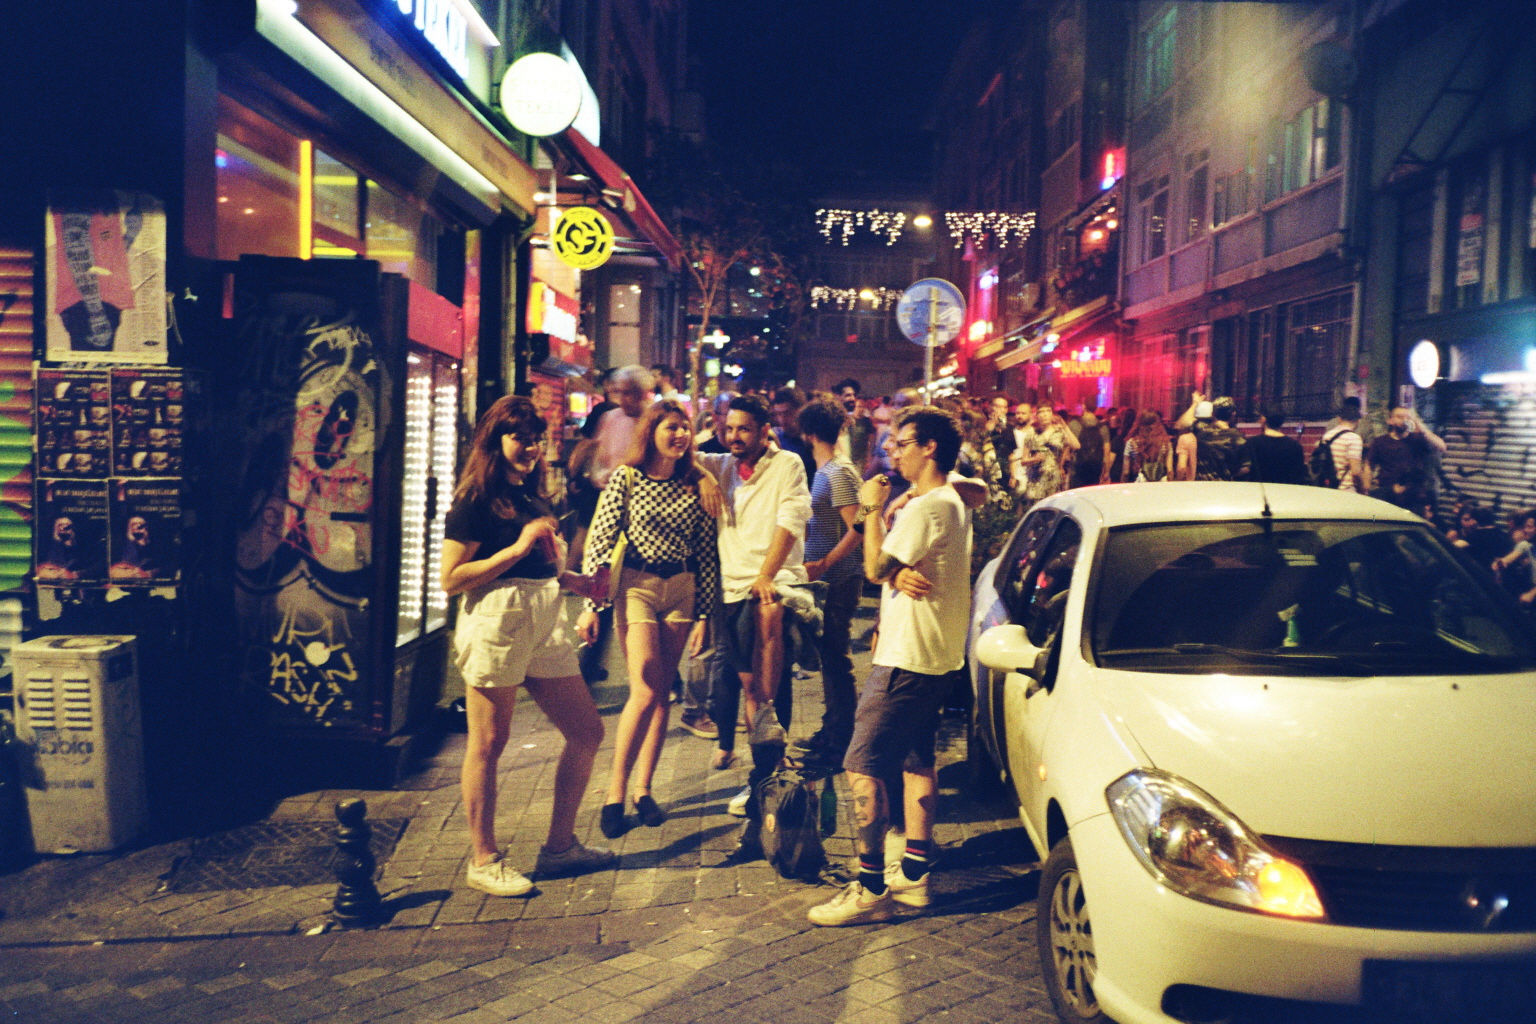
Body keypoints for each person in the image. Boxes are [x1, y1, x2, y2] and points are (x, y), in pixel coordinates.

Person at [441, 396, 615, 897]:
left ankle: (559, 848)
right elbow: (451, 578)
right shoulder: (475, 499)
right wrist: (519, 546)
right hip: (497, 621)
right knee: (488, 743)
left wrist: (577, 582)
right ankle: (484, 859)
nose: (531, 447)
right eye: (520, 437)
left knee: (586, 731)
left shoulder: (531, 495)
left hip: (544, 620)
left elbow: (543, 569)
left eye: (537, 438)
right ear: (495, 440)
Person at [808, 406, 971, 927]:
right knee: (916, 759)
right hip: (935, 654)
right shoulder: (948, 499)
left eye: (901, 443)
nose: (890, 451)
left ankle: (870, 886)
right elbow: (897, 566)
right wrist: (898, 569)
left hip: (906, 657)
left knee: (862, 766)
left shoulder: (928, 508)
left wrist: (872, 509)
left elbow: (876, 566)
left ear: (929, 448)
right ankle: (915, 875)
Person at [579, 400, 721, 839]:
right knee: (643, 688)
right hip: (636, 587)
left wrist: (705, 613)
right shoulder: (627, 477)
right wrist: (592, 604)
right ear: (651, 432)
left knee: (661, 693)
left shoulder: (694, 482)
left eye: (685, 428)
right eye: (671, 427)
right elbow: (601, 541)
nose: (680, 435)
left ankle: (644, 789)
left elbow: (706, 551)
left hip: (683, 587)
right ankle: (614, 793)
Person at [696, 395, 813, 856]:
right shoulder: (720, 465)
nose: (735, 437)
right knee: (750, 691)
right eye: (729, 428)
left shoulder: (787, 465)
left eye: (744, 428)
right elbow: (668, 455)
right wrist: (702, 475)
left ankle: (767, 773)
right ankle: (765, 775)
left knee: (767, 689)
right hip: (730, 590)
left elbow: (791, 522)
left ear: (765, 429)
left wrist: (767, 575)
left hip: (773, 585)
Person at [787, 395, 865, 767]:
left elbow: (858, 527)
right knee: (830, 659)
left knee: (836, 659)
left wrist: (824, 563)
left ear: (809, 432)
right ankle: (832, 730)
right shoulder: (825, 470)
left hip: (838, 578)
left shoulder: (839, 472)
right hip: (824, 578)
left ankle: (841, 741)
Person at [1367, 407, 1447, 515]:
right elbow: (1369, 466)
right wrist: (1366, 488)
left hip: (1414, 496)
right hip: (1389, 494)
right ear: (1390, 420)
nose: (1404, 420)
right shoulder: (1380, 442)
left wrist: (1420, 426)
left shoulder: (1417, 439)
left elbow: (1441, 447)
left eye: (1407, 417)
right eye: (1400, 417)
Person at [1016, 403, 1078, 507]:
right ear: (1036, 415)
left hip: (1054, 481)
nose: (1045, 414)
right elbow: (1023, 460)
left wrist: (1064, 426)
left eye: (1048, 411)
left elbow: (1076, 445)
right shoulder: (1032, 434)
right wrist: (1034, 459)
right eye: (1041, 412)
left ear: (1052, 414)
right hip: (1036, 482)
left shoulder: (1059, 432)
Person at [1237, 406, 1308, 484]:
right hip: (1285, 489)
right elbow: (1298, 476)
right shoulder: (1295, 446)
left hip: (1259, 489)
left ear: (1264, 420)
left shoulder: (1252, 443)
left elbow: (1243, 470)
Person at [1317, 399, 1366, 493]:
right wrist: (1362, 489)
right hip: (1345, 489)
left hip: (1328, 487)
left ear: (1339, 419)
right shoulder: (1354, 438)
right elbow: (1355, 471)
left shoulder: (1327, 436)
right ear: (1358, 421)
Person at [1121, 409, 1173, 482]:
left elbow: (1126, 472)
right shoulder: (1165, 443)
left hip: (1140, 483)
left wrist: (1123, 483)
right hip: (1161, 484)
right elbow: (1170, 471)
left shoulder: (1132, 442)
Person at [836, 378, 874, 470]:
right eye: (848, 395)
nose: (852, 398)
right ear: (839, 397)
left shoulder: (851, 420)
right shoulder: (834, 418)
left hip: (854, 465)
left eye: (853, 395)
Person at [1068, 409, 1111, 489]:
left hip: (1077, 468)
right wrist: (1107, 471)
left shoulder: (1074, 424)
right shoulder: (1103, 427)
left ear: (1084, 407)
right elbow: (1107, 452)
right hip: (1096, 468)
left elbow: (1067, 447)